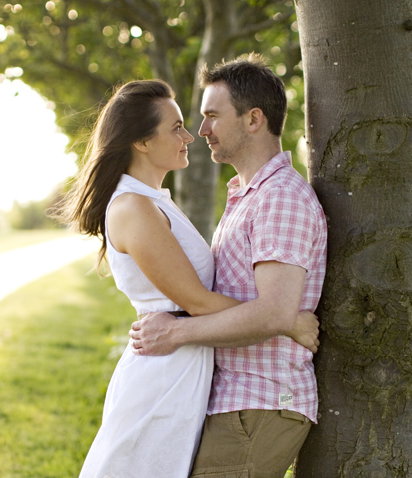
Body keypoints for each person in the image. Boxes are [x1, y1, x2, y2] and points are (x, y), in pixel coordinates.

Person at [55, 79, 318, 478]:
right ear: (142, 142)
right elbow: (196, 301)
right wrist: (289, 320)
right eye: (176, 127)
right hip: (165, 372)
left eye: (203, 119)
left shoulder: (157, 201)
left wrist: (279, 315)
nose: (191, 135)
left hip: (191, 366)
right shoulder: (133, 206)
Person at [129, 54, 328, 477]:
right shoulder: (246, 194)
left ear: (253, 119)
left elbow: (275, 311)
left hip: (262, 402)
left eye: (212, 116)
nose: (201, 131)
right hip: (236, 402)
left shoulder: (280, 198)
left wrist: (176, 332)